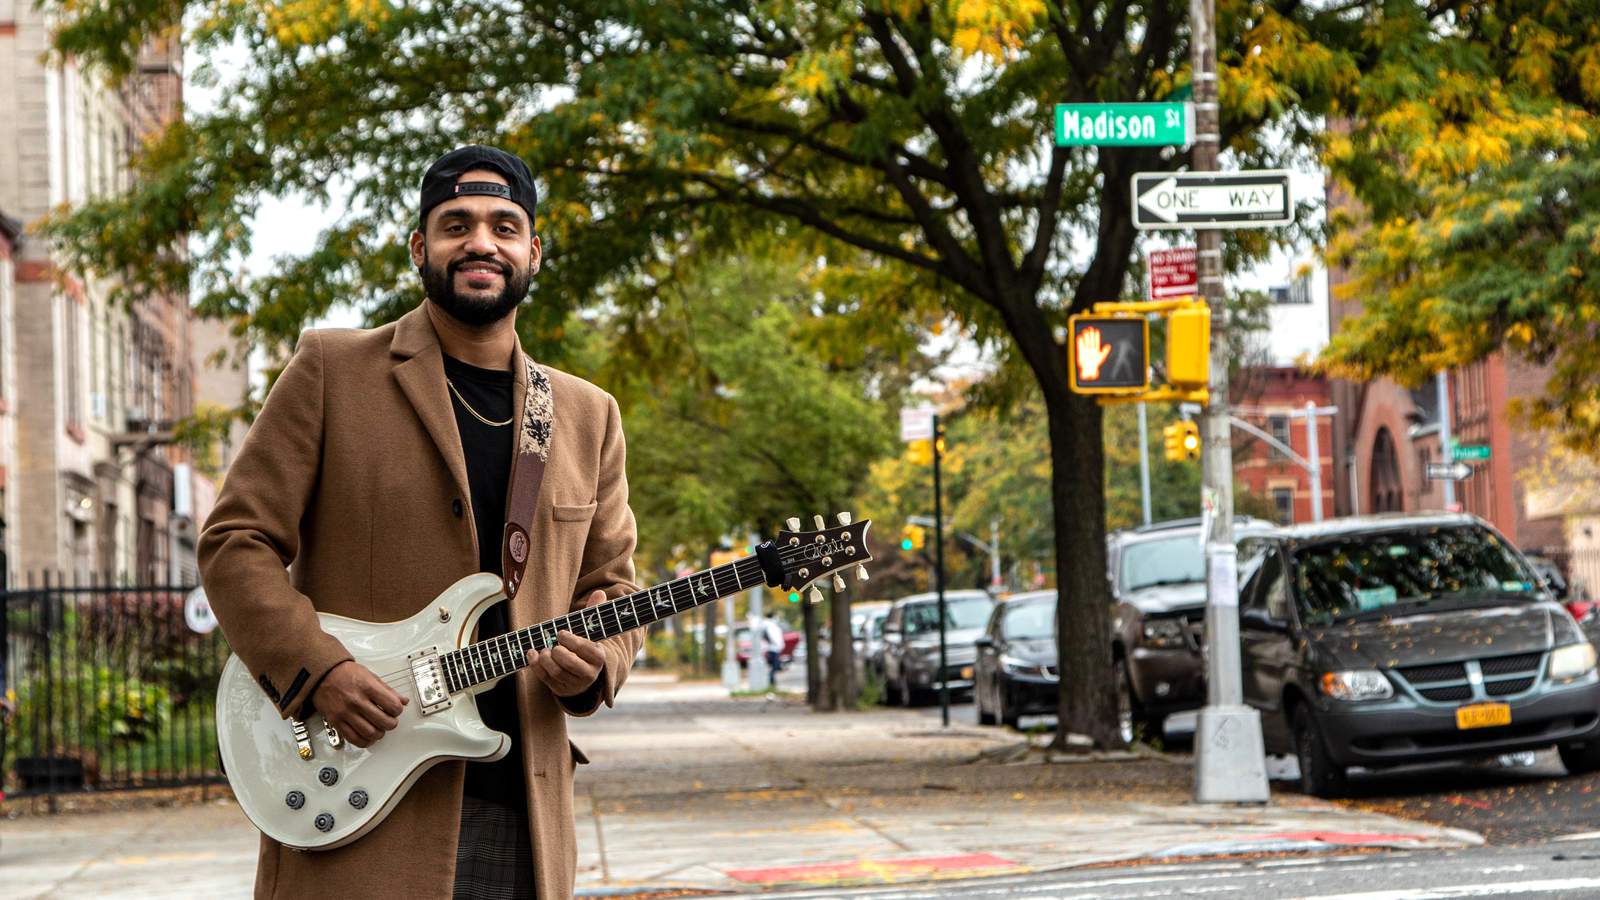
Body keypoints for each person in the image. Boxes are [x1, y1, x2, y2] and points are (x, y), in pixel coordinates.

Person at [200, 145, 643, 900]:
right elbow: (235, 541)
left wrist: (598, 658)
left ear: (532, 252)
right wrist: (319, 668)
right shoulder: (331, 370)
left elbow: (612, 586)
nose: (481, 242)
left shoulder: (584, 415)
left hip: (523, 817)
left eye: (505, 226)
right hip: (360, 816)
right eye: (456, 224)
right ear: (420, 248)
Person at [760, 614, 785, 688]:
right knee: (775, 666)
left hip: (770, 649)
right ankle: (771, 681)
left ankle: (772, 681)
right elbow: (773, 637)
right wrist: (778, 644)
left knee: (773, 666)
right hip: (773, 649)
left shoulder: (766, 625)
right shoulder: (770, 626)